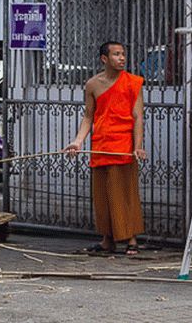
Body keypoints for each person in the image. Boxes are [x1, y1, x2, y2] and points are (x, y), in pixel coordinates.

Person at [63, 41, 147, 255]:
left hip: (123, 145)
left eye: (123, 54)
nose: (122, 58)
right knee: (103, 196)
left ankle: (131, 240)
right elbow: (88, 116)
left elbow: (138, 117)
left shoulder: (133, 83)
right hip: (100, 145)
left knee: (124, 194)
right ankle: (107, 239)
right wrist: (78, 141)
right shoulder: (93, 84)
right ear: (104, 59)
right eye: (116, 54)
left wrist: (138, 146)